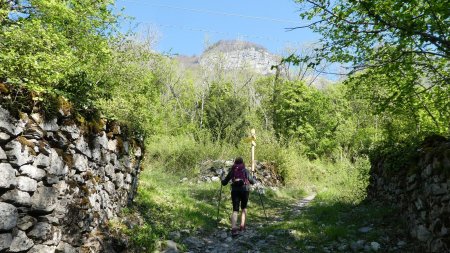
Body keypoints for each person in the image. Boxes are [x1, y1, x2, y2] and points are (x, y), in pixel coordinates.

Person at [221, 157, 256, 236]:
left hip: (235, 191)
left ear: (235, 163)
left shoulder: (232, 171)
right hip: (245, 190)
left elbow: (224, 183)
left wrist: (222, 177)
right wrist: (254, 178)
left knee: (235, 210)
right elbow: (253, 182)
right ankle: (242, 226)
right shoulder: (245, 171)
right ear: (242, 162)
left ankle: (234, 228)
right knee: (244, 208)